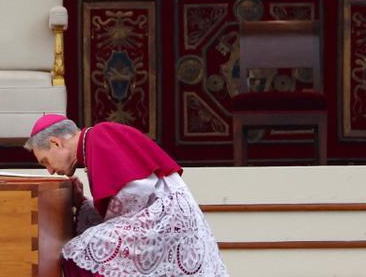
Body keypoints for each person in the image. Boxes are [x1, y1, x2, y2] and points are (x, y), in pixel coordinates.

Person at [24, 115, 229, 277]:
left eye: (45, 161)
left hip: (166, 221)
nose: (49, 170)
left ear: (56, 143)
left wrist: (97, 220)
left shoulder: (99, 137)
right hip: (167, 220)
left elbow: (137, 191)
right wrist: (84, 204)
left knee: (76, 252)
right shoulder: (94, 140)